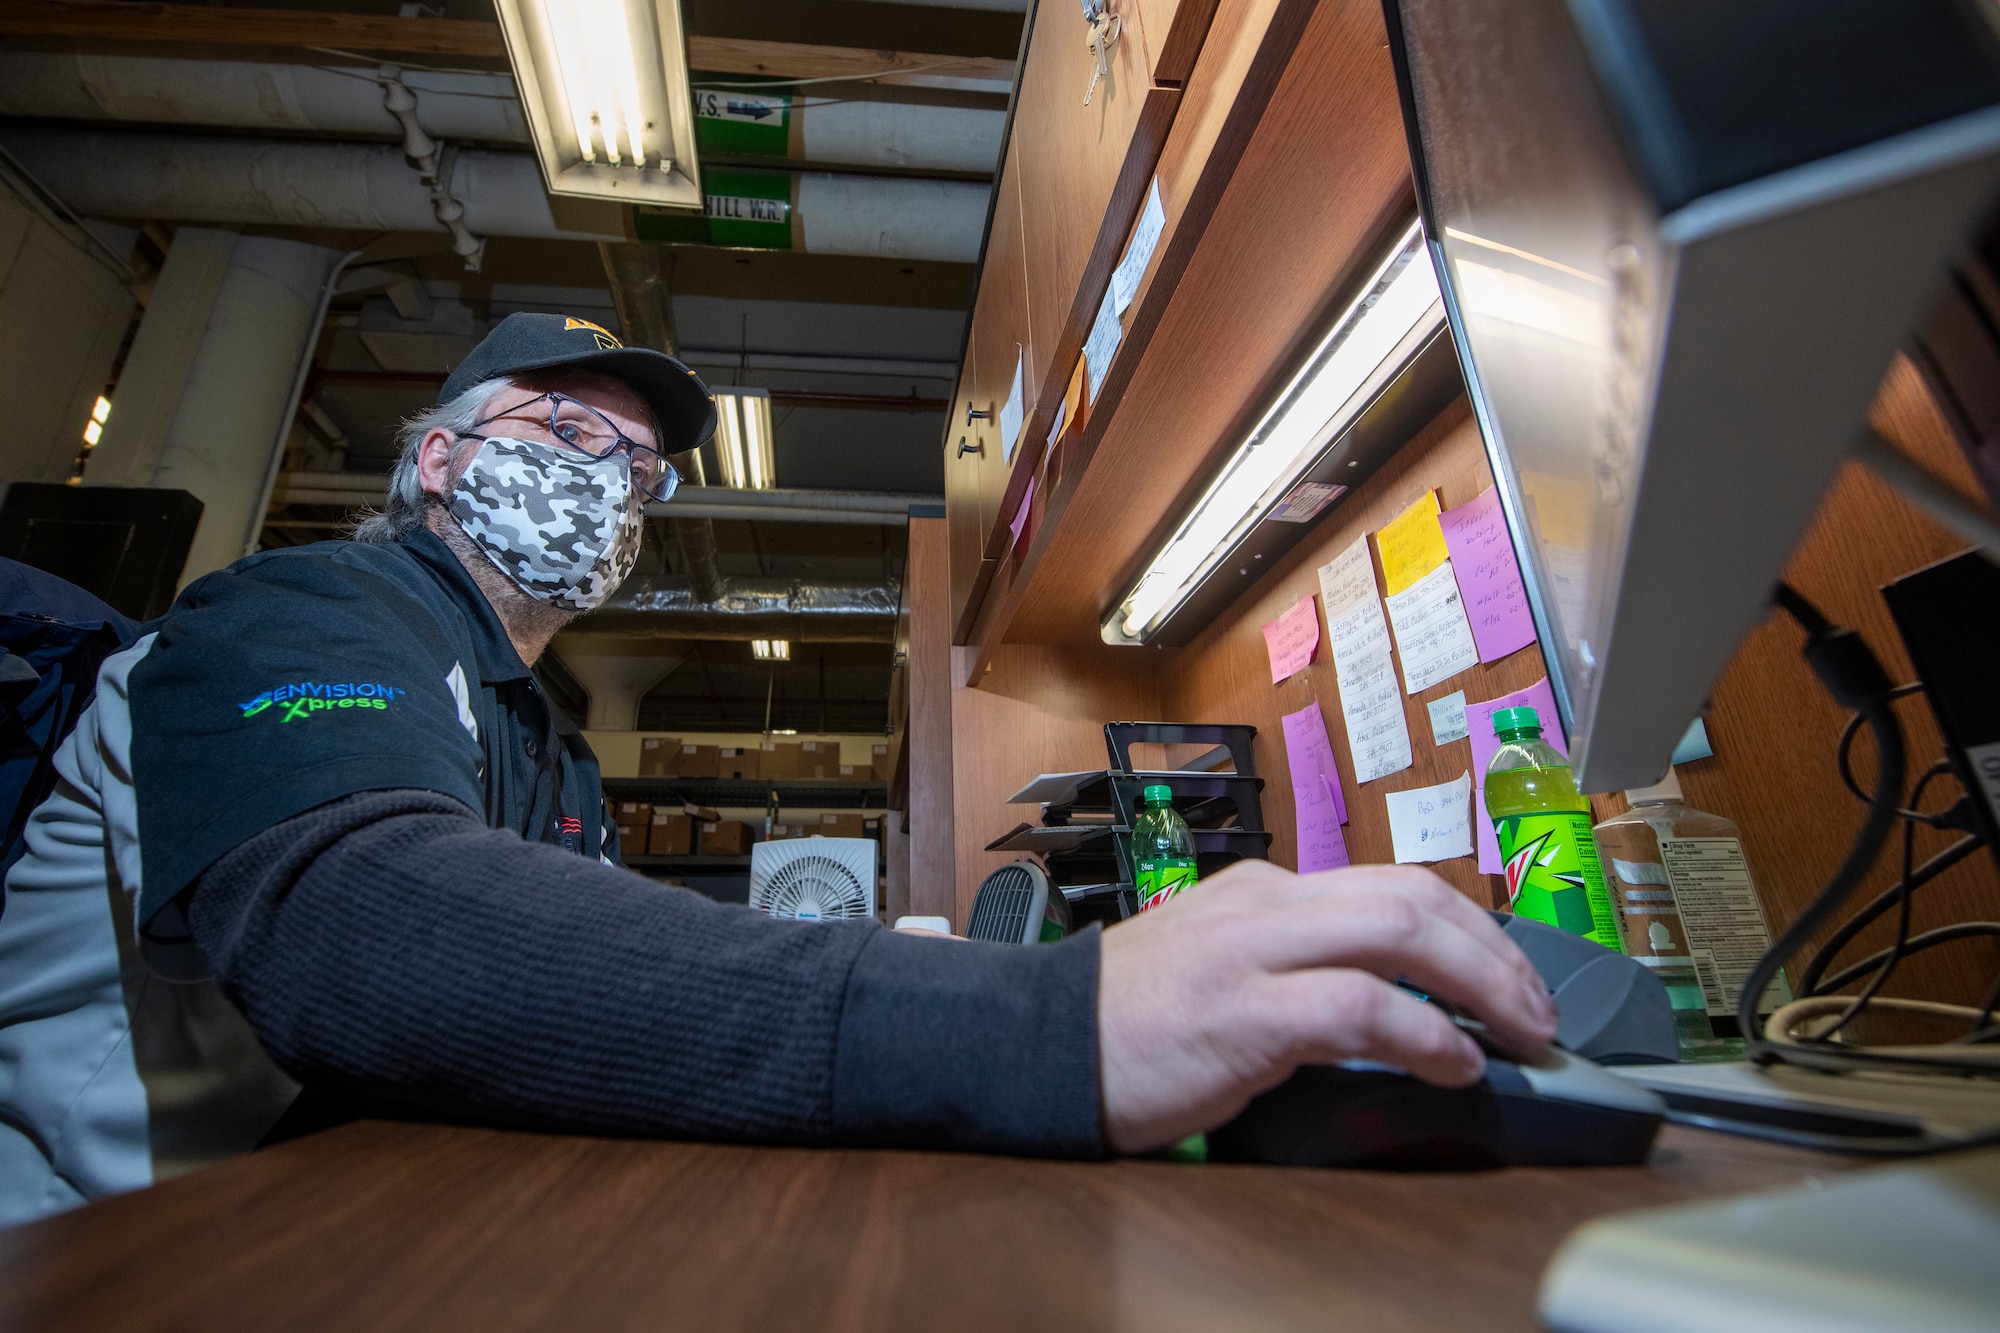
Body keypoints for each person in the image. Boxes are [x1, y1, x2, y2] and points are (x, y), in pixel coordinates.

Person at [0, 314, 1555, 1225]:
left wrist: (868, 961)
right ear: (438, 457)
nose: (605, 479)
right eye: (559, 427)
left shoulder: (544, 743)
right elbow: (366, 930)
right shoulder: (294, 613)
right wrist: (1039, 1021)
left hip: (342, 1228)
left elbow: (577, 972)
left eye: (640, 468)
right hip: (118, 1255)